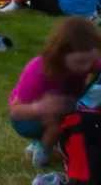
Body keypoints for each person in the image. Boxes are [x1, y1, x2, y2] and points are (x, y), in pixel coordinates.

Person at [8, 16, 101, 168]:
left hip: (64, 105)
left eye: (91, 60)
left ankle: (54, 143)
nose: (87, 66)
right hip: (28, 118)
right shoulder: (38, 71)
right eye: (81, 62)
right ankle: (43, 151)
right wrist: (42, 107)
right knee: (59, 121)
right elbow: (15, 111)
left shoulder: (86, 61)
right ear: (60, 54)